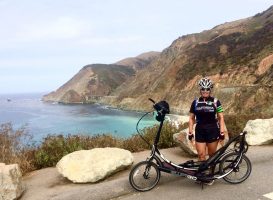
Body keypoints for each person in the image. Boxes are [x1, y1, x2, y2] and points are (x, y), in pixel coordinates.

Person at [188, 77, 225, 185]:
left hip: (212, 130)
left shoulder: (216, 102)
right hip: (199, 130)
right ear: (200, 90)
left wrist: (222, 132)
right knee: (201, 155)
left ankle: (211, 176)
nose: (205, 91)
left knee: (212, 155)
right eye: (203, 89)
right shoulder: (195, 102)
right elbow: (191, 118)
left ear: (210, 90)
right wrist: (190, 132)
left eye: (207, 89)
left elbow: (221, 117)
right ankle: (202, 174)